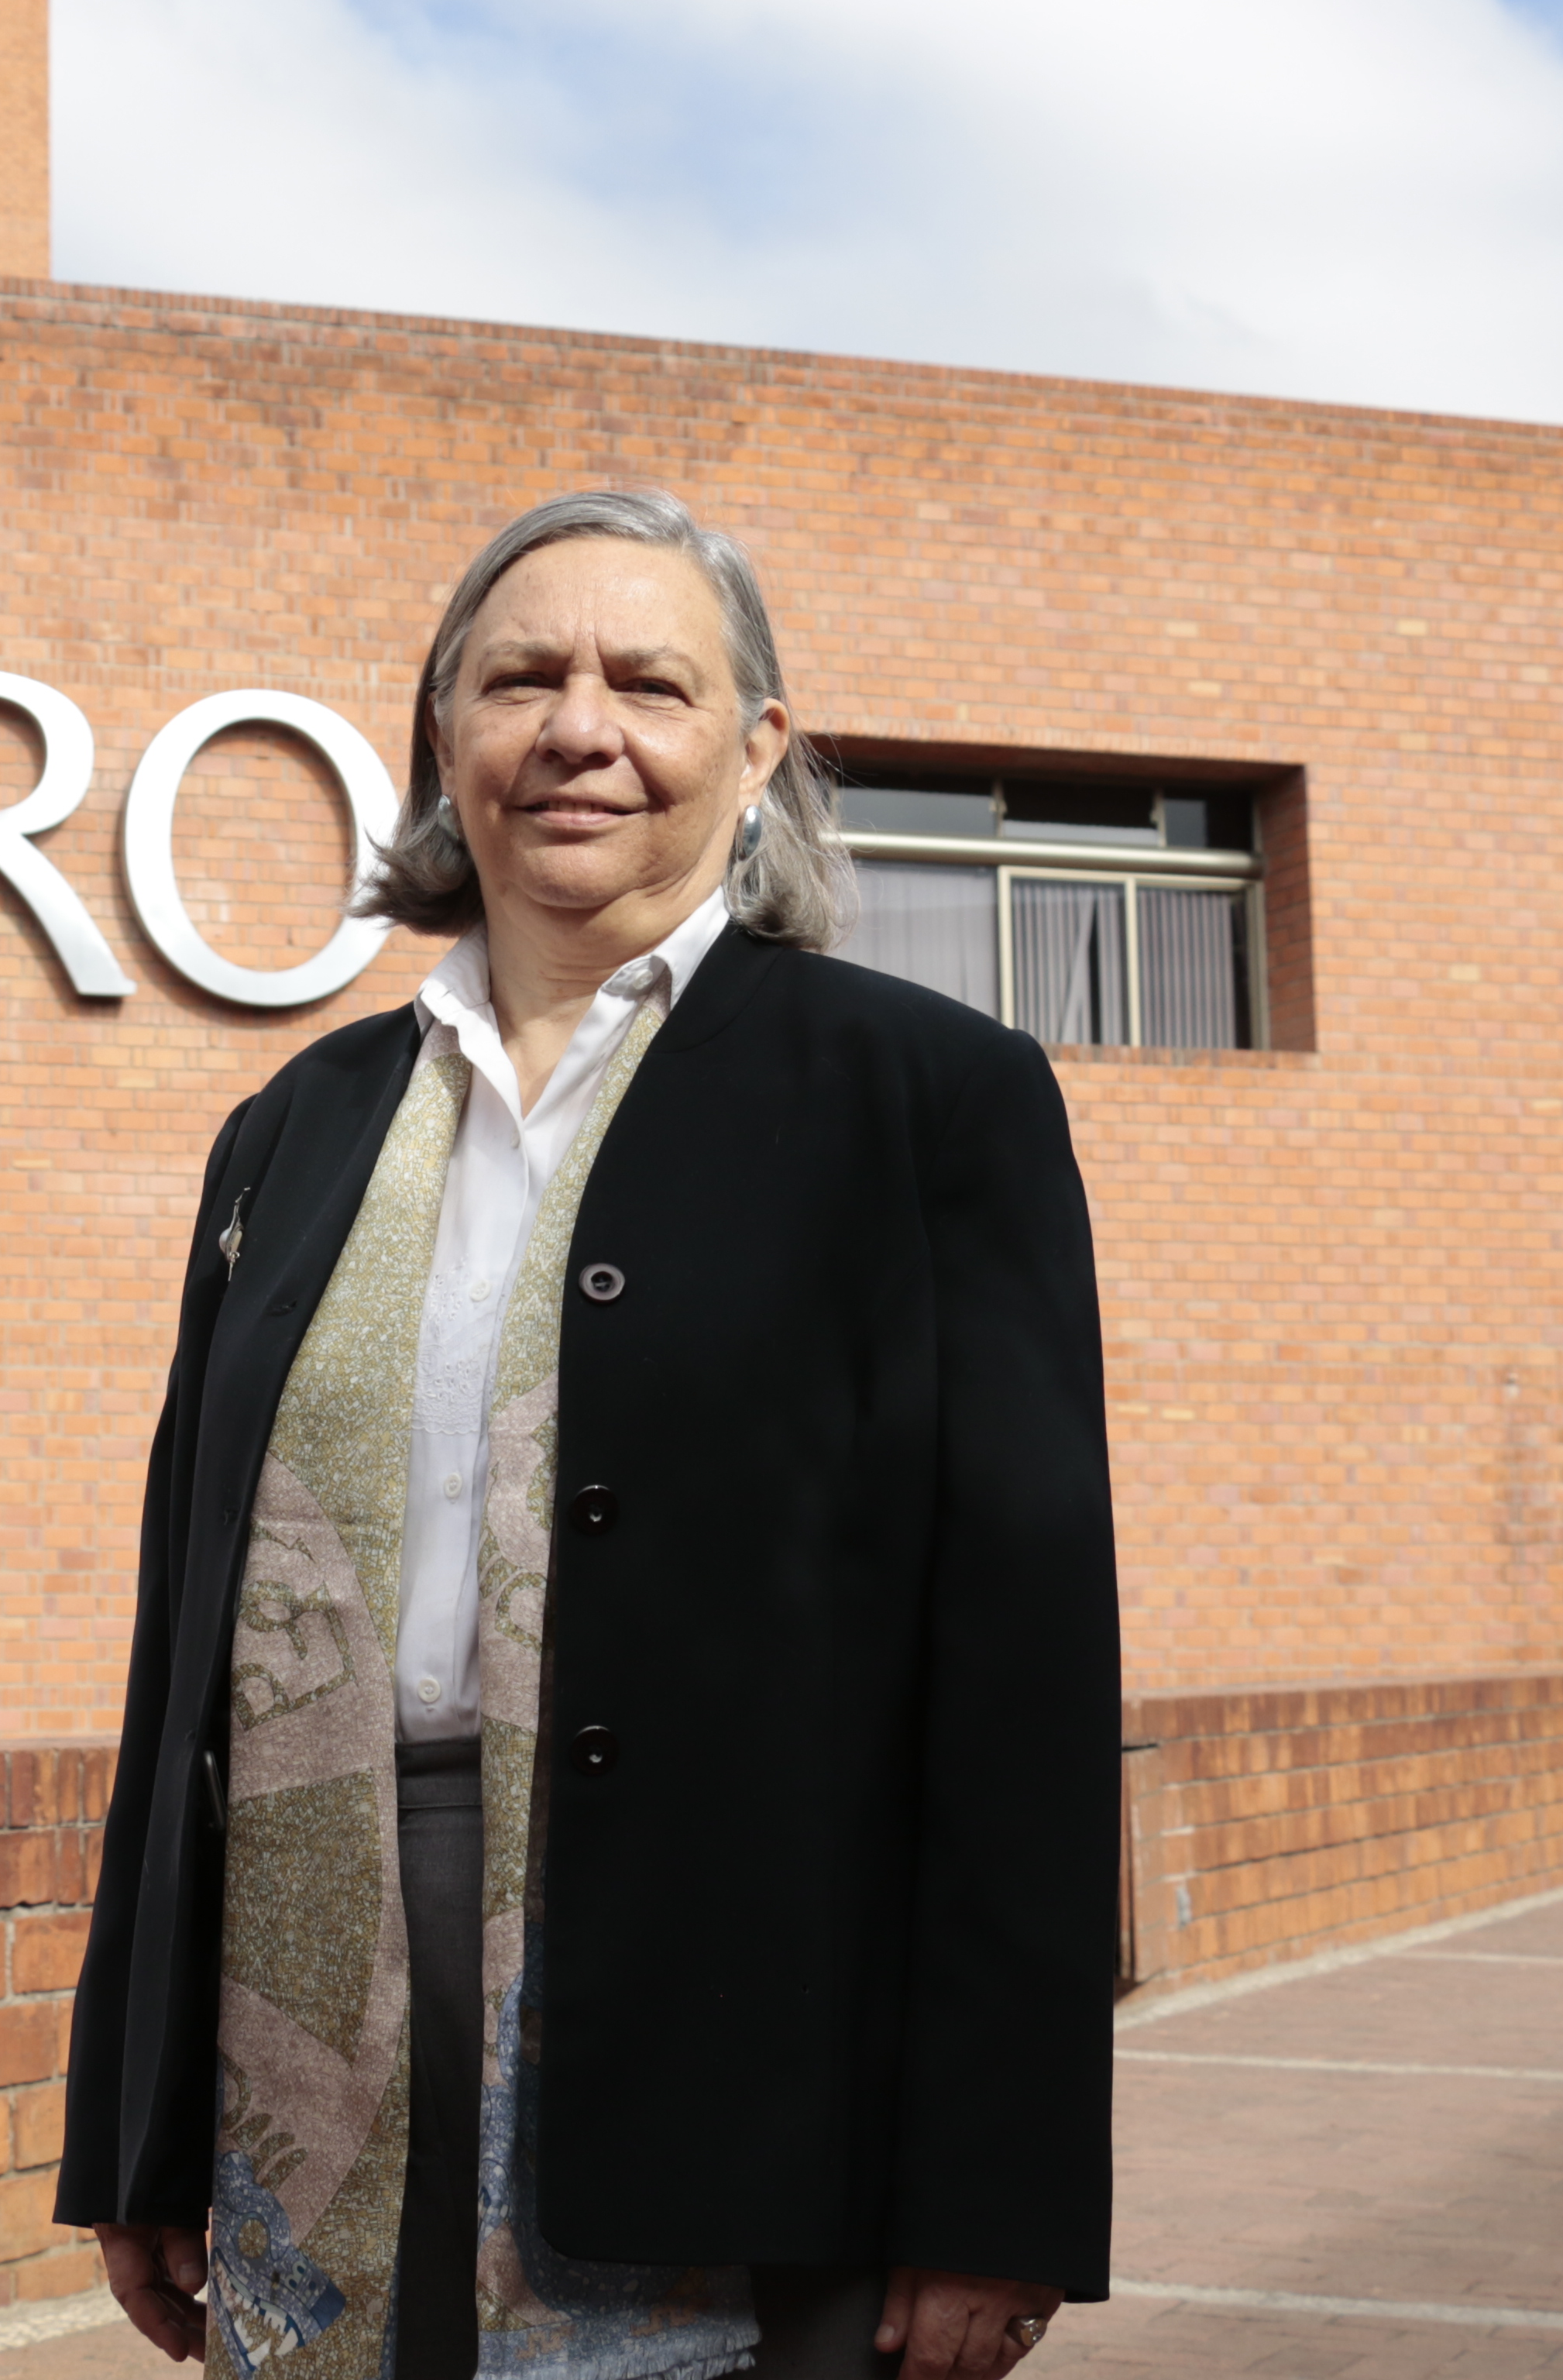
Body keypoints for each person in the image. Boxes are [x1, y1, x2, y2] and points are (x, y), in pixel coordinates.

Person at [56, 489, 1119, 2380]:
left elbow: (1023, 1679)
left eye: (652, 683)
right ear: (442, 732)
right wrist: (136, 2120)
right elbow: (181, 1652)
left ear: (756, 749)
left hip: (752, 2033)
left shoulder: (926, 1104)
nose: (581, 728)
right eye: (522, 677)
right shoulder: (294, 1133)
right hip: (319, 2010)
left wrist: (998, 2185)